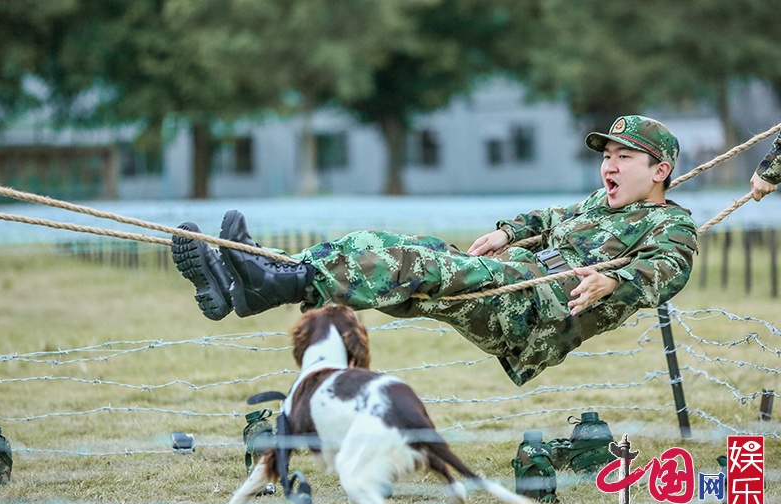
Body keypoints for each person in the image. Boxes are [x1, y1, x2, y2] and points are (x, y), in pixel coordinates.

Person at [171, 116, 777, 387]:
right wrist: (512, 230)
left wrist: (617, 284)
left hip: (537, 312)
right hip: (512, 279)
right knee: (385, 248)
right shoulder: (602, 204)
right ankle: (261, 283)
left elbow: (667, 272)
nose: (609, 165)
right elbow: (553, 217)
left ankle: (261, 283)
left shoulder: (671, 225)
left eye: (623, 157)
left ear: (661, 170)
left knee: (415, 266)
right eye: (605, 154)